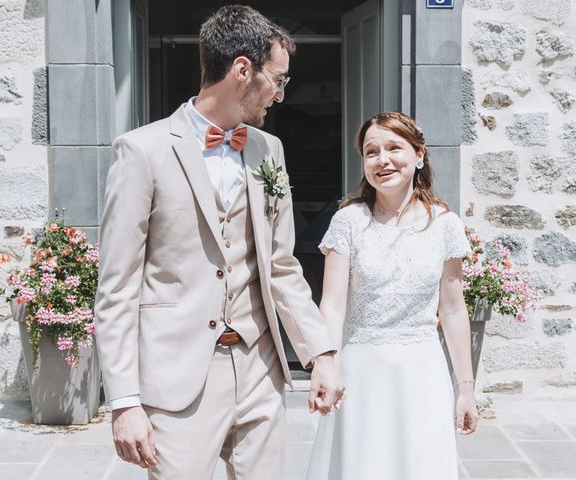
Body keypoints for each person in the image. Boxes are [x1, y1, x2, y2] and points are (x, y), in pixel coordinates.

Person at [94, 5, 344, 479]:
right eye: (279, 79)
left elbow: (281, 264)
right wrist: (124, 401)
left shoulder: (270, 150)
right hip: (178, 376)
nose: (281, 94)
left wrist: (321, 354)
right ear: (242, 70)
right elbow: (117, 287)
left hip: (260, 368)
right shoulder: (141, 151)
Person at [306, 112, 478, 480]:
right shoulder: (348, 221)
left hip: (422, 372)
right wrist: (326, 365)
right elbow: (333, 305)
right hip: (360, 371)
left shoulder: (445, 225)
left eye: (393, 148)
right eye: (371, 151)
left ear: (419, 155)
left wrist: (465, 388)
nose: (382, 160)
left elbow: (453, 310)